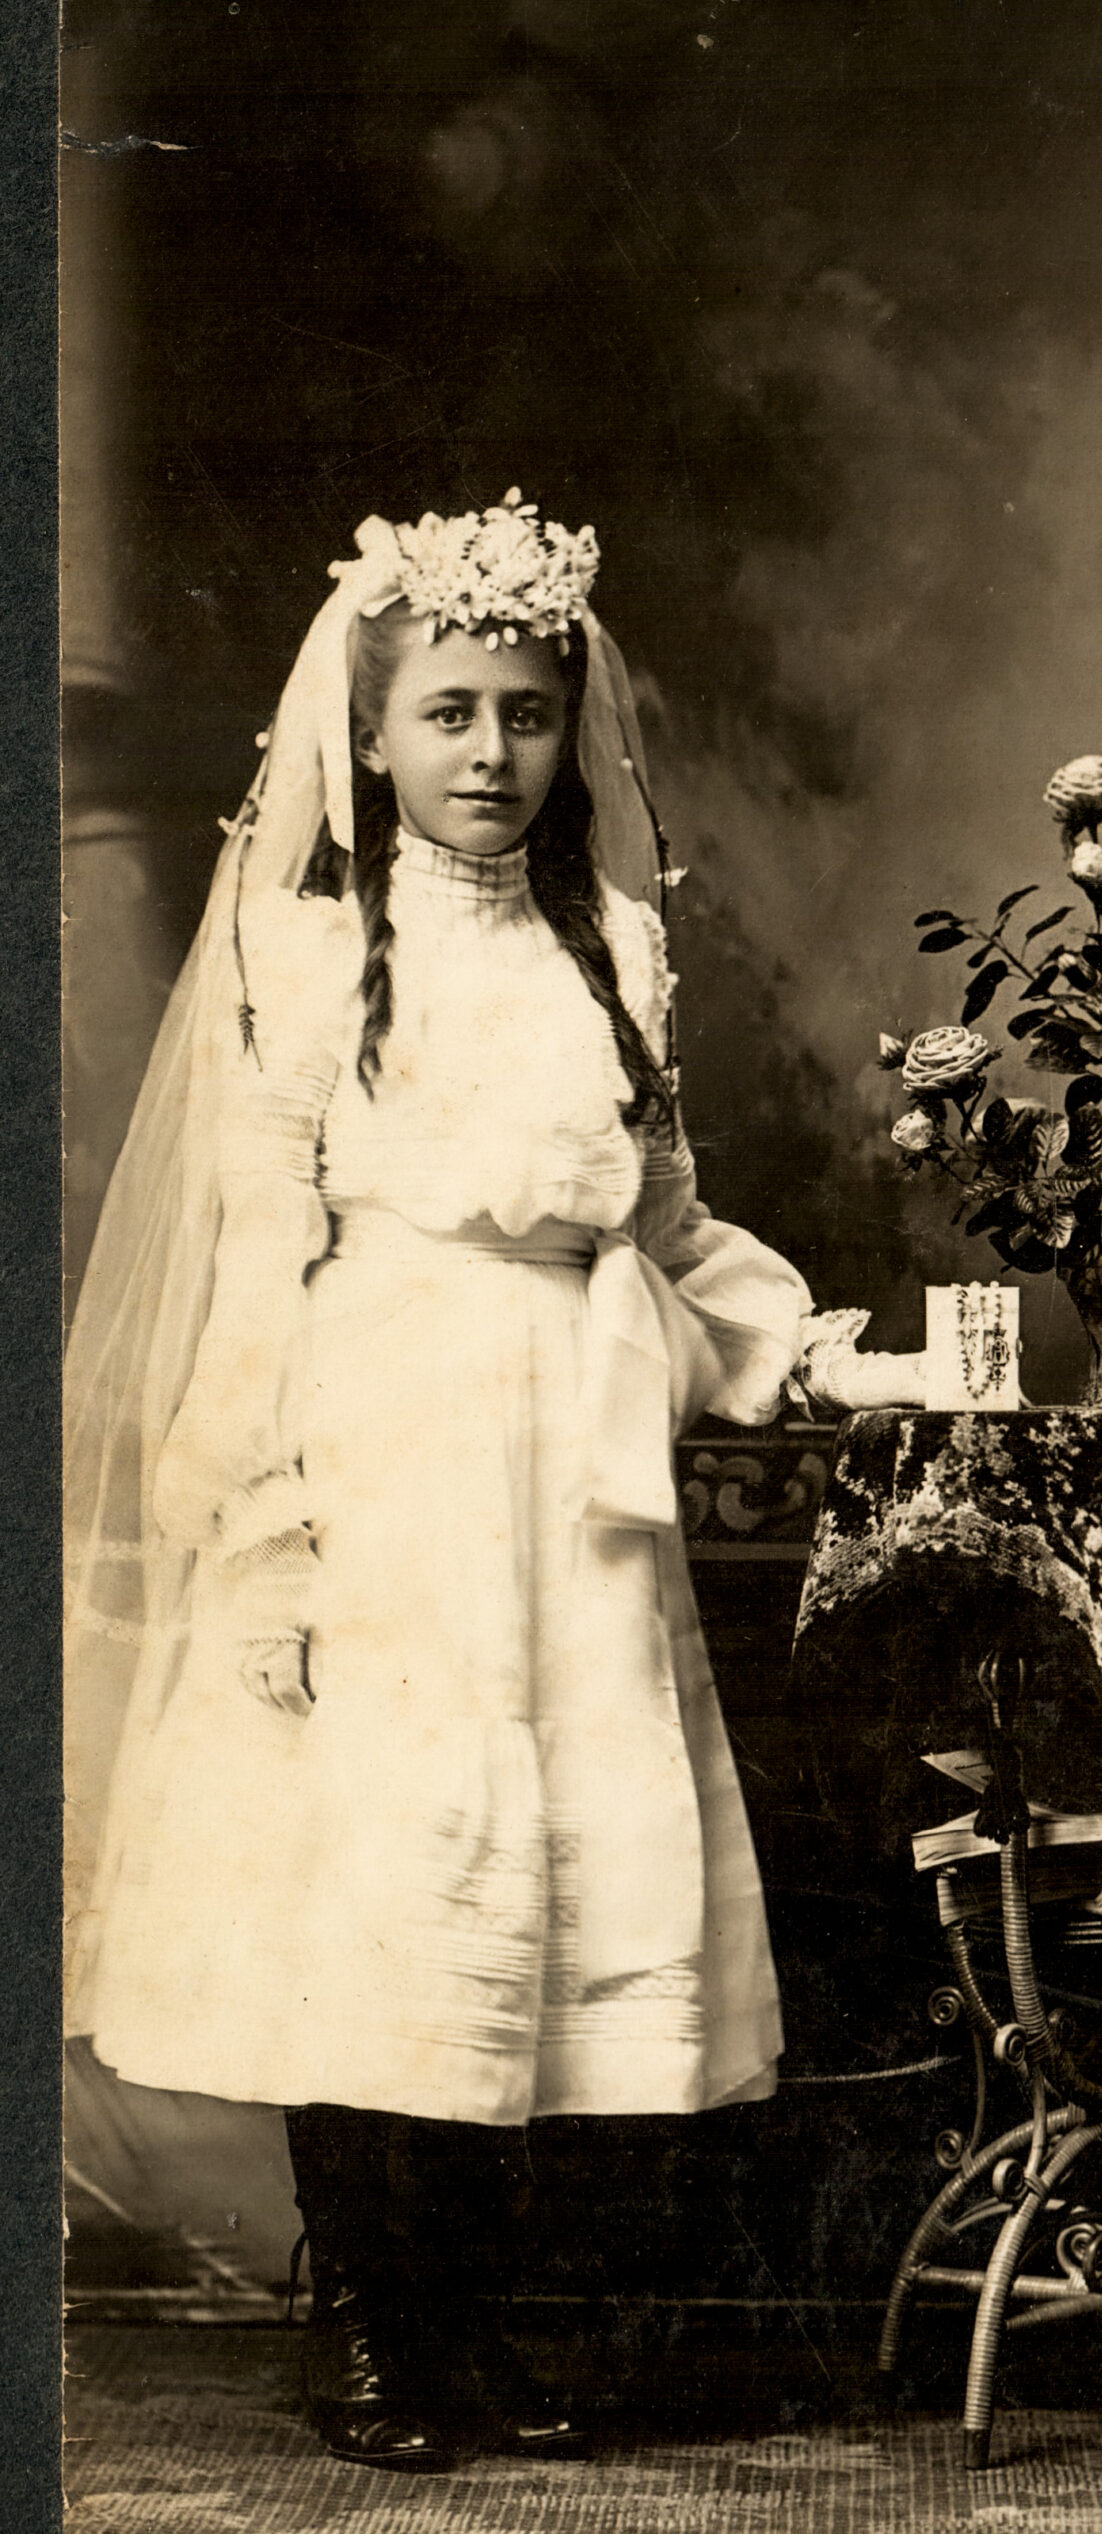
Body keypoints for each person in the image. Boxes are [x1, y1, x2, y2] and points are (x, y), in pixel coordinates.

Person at [64, 497, 813, 2472]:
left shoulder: (619, 948)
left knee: (534, 1899)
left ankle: (480, 2327)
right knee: (377, 1899)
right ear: (369, 738)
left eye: (530, 713)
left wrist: (805, 1340)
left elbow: (666, 1224)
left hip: (557, 1481)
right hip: (375, 1457)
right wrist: (269, 1522)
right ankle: (382, 2329)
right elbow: (257, 1258)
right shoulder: (307, 958)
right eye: (451, 712)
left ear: (578, 734)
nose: (491, 752)